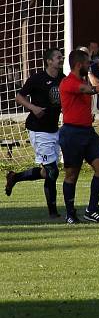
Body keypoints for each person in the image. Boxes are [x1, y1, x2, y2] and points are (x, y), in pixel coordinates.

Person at [5, 49, 65, 218]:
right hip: (38, 129)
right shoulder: (37, 78)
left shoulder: (63, 78)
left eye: (62, 57)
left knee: (47, 172)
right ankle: (53, 212)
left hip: (54, 129)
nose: (61, 60)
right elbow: (19, 97)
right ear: (49, 61)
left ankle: (15, 177)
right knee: (52, 171)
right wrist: (34, 108)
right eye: (58, 57)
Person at [58, 49, 99, 223]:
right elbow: (84, 89)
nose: (90, 66)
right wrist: (97, 88)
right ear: (79, 65)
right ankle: (70, 213)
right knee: (72, 174)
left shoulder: (84, 79)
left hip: (88, 131)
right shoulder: (68, 82)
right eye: (87, 63)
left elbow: (88, 88)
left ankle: (92, 209)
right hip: (72, 133)